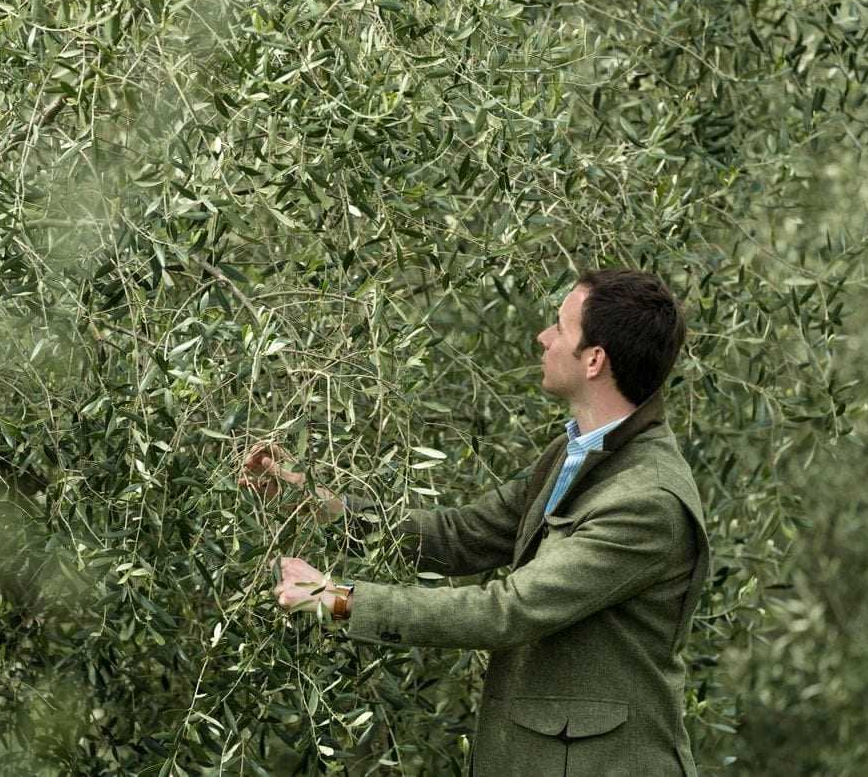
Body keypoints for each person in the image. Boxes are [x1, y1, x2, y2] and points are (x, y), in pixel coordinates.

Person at [240, 268, 709, 776]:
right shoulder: (575, 454)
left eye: (559, 327)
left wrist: (337, 599)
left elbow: (507, 611)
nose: (544, 338)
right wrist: (317, 503)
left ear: (594, 360)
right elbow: (458, 537)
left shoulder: (646, 500)